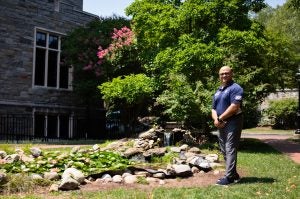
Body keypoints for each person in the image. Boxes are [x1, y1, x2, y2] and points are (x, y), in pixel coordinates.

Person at [212, 66, 243, 186]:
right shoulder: (219, 90)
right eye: (221, 74)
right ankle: (234, 175)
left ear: (231, 74)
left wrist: (220, 118)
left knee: (230, 148)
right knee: (224, 149)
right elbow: (213, 108)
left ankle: (229, 178)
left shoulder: (236, 88)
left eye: (226, 73)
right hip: (220, 122)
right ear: (219, 76)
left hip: (233, 121)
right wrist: (216, 119)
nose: (224, 75)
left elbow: (234, 107)